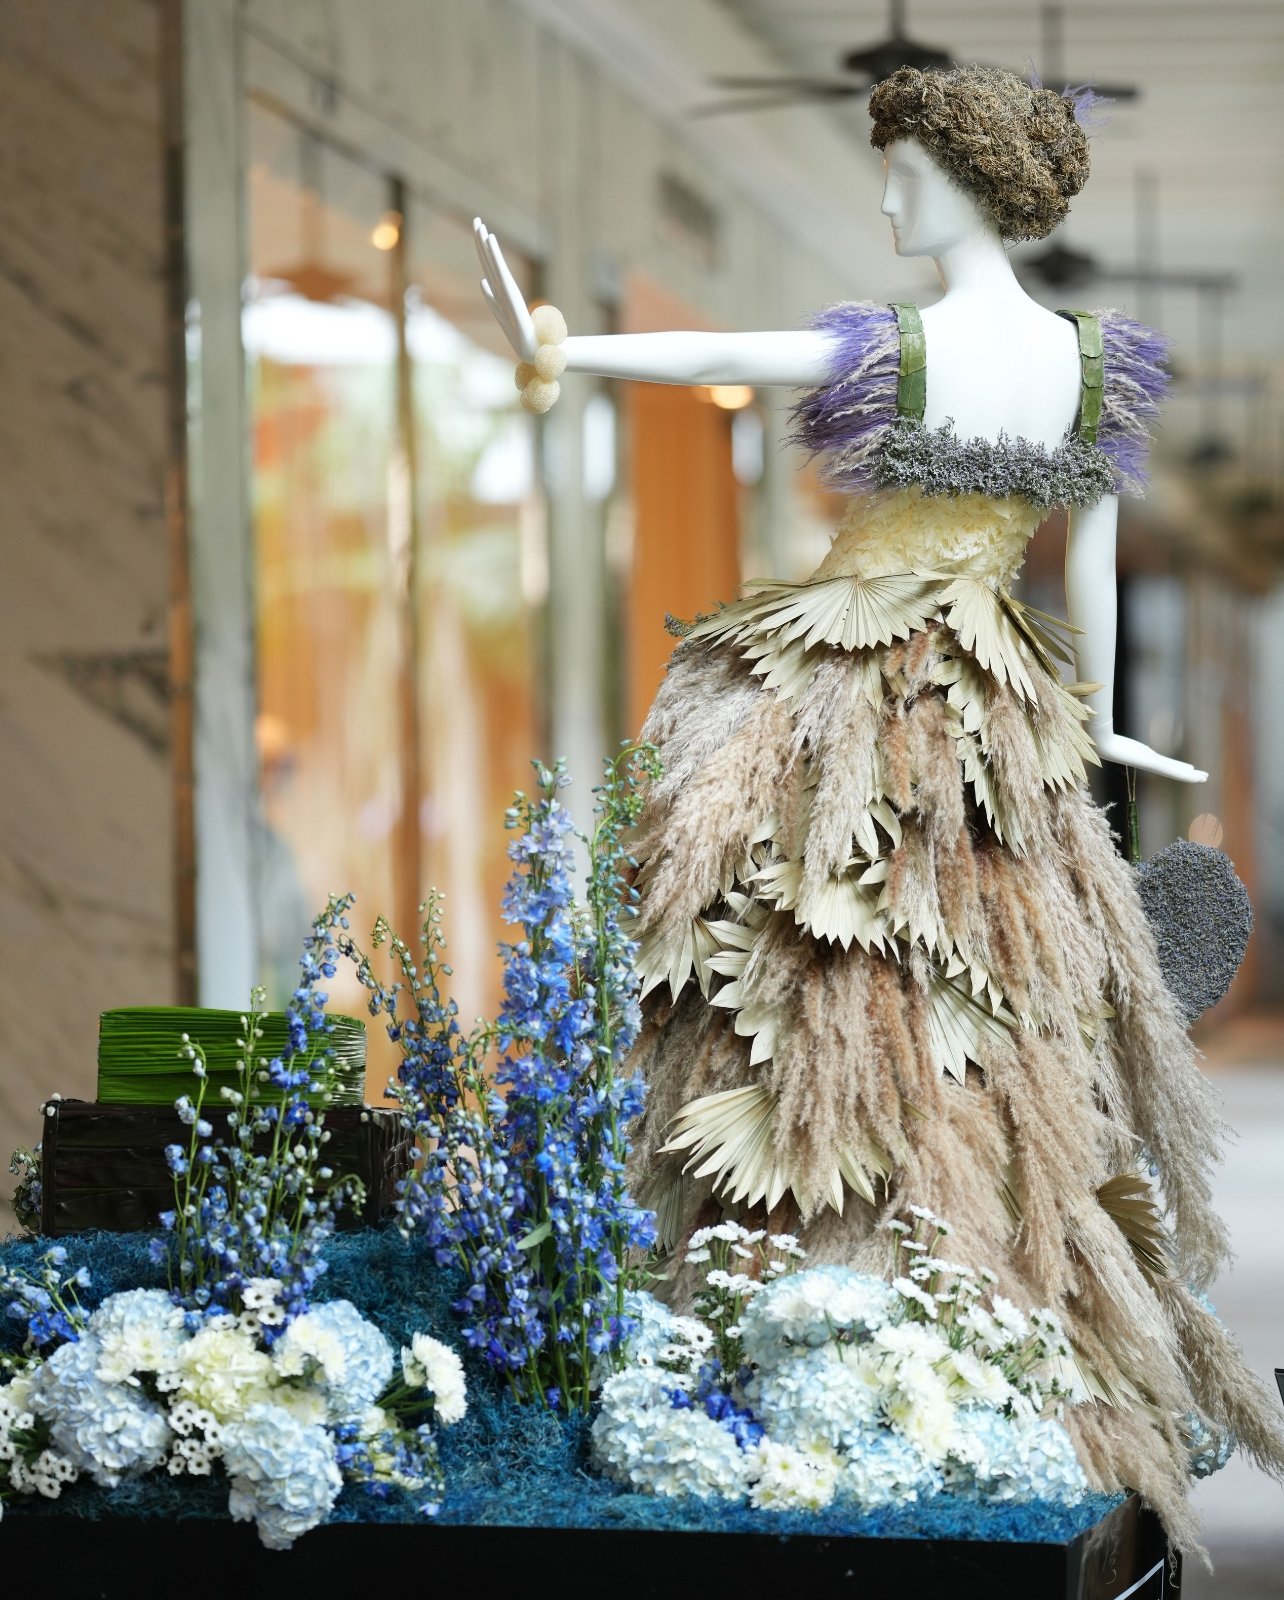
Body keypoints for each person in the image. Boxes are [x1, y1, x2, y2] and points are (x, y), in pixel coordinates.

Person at [477, 63, 1282, 1545]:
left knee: (801, 952)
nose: (895, 196)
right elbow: (1079, 563)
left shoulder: (912, 348)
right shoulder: (1091, 363)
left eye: (909, 169)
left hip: (845, 683)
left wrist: (575, 347)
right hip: (989, 705)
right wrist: (1099, 733)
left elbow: (756, 345)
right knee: (965, 987)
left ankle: (836, 1262)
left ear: (970, 178)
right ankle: (926, 1284)